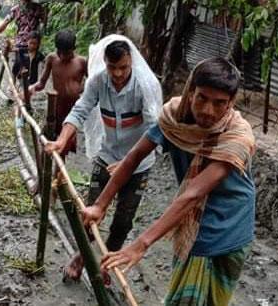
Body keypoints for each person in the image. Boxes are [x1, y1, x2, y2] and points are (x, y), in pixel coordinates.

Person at [86, 57, 255, 306]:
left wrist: (141, 244)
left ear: (231, 103)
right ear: (190, 93)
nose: (208, 110)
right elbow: (133, 158)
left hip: (229, 224)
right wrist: (100, 205)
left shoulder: (237, 139)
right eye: (202, 98)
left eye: (219, 103)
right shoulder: (174, 119)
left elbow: (193, 194)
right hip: (191, 219)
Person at [44, 34, 163, 281]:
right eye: (112, 67)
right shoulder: (98, 81)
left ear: (132, 63)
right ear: (105, 64)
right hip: (107, 155)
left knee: (123, 220)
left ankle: (107, 263)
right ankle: (81, 256)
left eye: (123, 68)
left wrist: (129, 162)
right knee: (90, 211)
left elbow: (155, 129)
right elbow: (81, 109)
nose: (118, 74)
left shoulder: (145, 86)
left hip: (139, 164)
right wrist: (62, 140)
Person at [29, 30, 87, 156]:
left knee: (65, 145)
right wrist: (32, 88)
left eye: (65, 53)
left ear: (73, 49)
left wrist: (80, 88)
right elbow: (41, 83)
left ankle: (59, 172)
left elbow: (92, 84)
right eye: (59, 52)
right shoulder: (52, 59)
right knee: (48, 139)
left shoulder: (81, 62)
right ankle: (48, 170)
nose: (61, 56)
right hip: (55, 107)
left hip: (72, 110)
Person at [0, 0, 46, 80]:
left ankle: (28, 86)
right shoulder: (16, 10)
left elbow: (43, 24)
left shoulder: (38, 8)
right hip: (20, 42)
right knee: (18, 62)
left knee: (33, 66)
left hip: (33, 42)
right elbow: (5, 23)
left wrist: (44, 17)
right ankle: (14, 83)